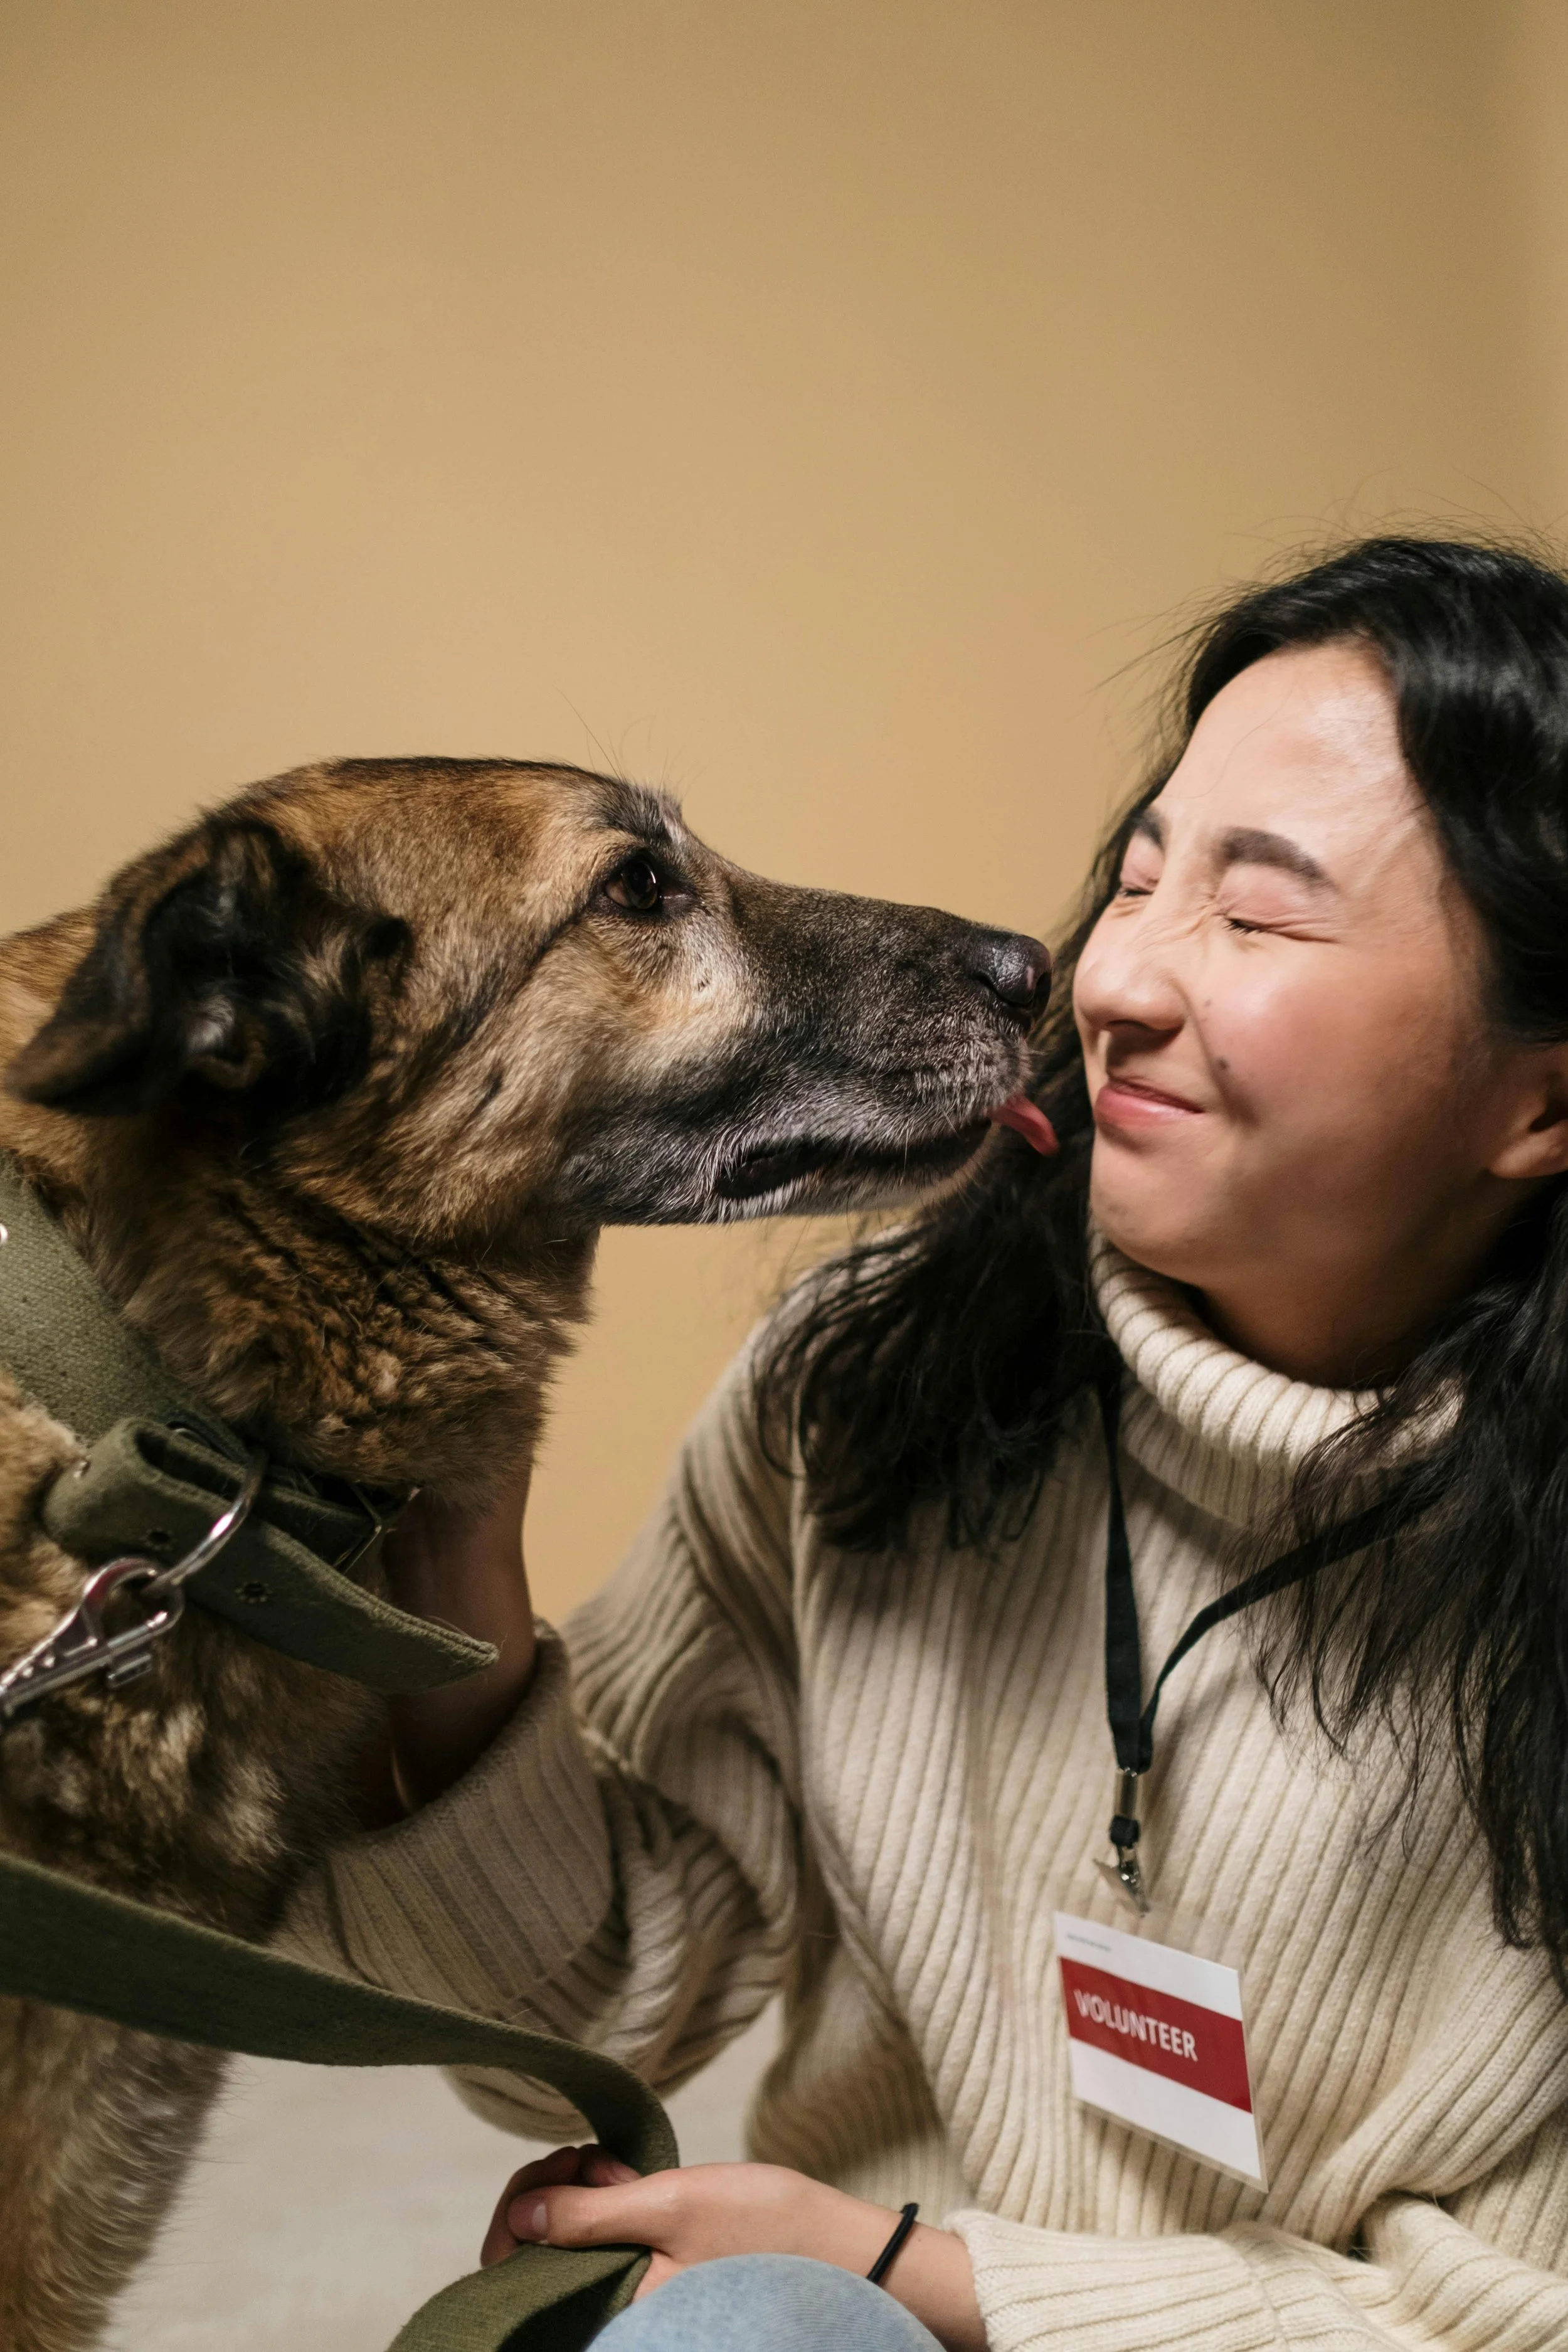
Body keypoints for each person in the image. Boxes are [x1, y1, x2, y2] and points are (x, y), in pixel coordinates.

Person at [285, 536, 1568, 2349]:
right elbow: (592, 2008)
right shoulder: (865, 1382)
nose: (1107, 983)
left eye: (1259, 912)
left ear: (1544, 1093)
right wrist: (447, 1540)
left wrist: (914, 2267)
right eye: (1135, 881)